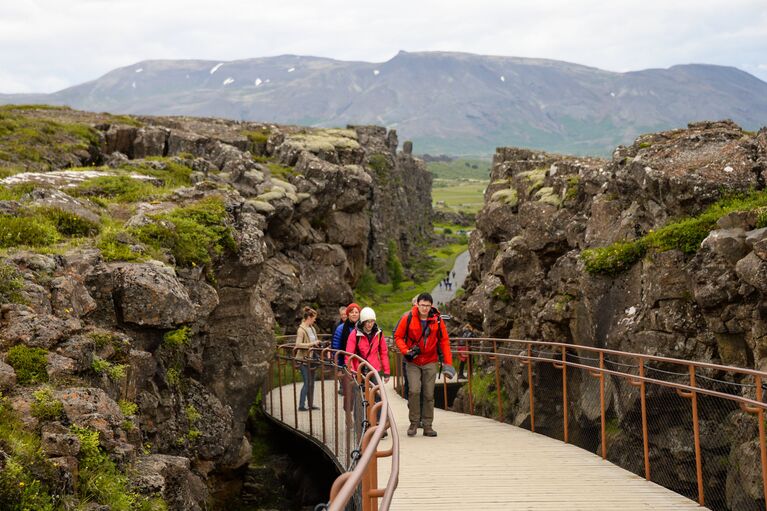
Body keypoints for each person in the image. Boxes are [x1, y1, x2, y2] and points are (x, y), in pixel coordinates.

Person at [394, 292, 455, 437]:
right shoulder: (407, 318)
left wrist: (448, 363)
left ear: (431, 306)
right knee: (414, 391)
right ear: (417, 304)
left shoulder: (437, 320)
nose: (425, 308)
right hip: (413, 361)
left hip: (430, 361)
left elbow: (444, 341)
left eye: (428, 306)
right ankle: (414, 423)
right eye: (422, 305)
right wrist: (405, 350)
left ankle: (428, 425)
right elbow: (398, 336)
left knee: (428, 394)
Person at [346, 307, 390, 432]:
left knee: (378, 397)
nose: (370, 324)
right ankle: (360, 426)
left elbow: (383, 352)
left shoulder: (378, 333)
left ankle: (380, 426)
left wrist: (386, 371)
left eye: (372, 321)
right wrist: (352, 371)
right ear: (363, 322)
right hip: (359, 370)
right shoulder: (355, 334)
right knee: (360, 398)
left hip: (374, 369)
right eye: (367, 321)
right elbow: (349, 355)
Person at [332, 303, 360, 398]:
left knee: (358, 391)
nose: (354, 314)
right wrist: (339, 367)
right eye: (352, 312)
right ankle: (350, 411)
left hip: (360, 364)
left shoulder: (362, 328)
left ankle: (359, 411)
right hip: (346, 364)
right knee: (349, 392)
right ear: (348, 314)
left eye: (356, 312)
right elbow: (336, 348)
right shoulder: (341, 328)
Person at [295, 306, 320, 411]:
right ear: (309, 317)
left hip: (312, 359)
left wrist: (318, 344)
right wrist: (312, 343)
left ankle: (310, 404)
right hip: (303, 360)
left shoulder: (312, 328)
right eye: (314, 317)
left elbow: (315, 340)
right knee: (307, 382)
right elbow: (298, 344)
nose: (315, 320)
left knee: (312, 382)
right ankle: (301, 405)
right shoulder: (301, 330)